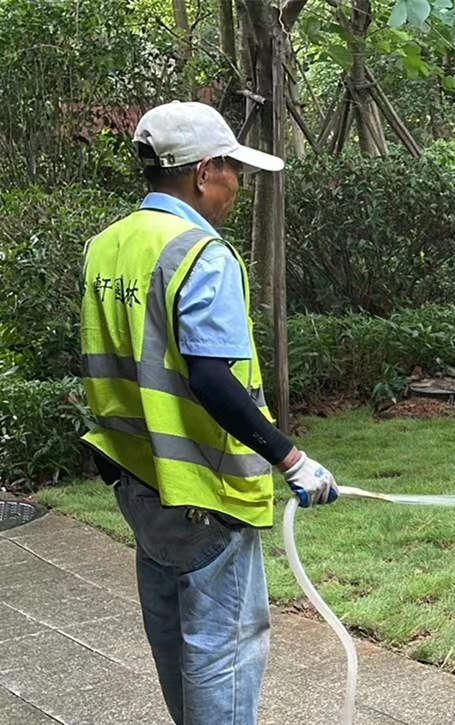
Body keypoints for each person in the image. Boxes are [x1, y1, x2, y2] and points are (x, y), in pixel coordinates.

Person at [79, 100, 338, 725]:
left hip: (139, 479)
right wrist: (292, 459)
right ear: (204, 171)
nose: (237, 185)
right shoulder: (201, 253)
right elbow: (213, 379)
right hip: (203, 489)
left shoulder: (107, 246)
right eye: (232, 171)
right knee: (222, 651)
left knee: (174, 640)